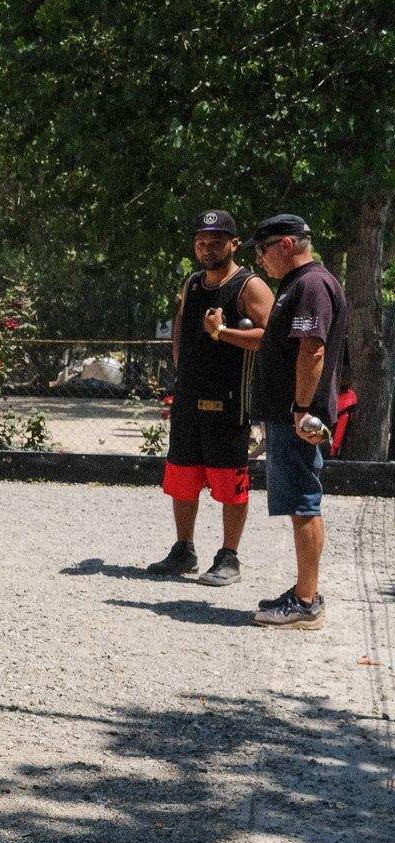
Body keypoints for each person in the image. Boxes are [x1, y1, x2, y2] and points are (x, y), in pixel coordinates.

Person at [148, 210, 272, 586]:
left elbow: (271, 336)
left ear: (234, 243)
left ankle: (229, 556)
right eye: (201, 242)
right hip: (188, 398)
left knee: (229, 481)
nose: (207, 248)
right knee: (182, 477)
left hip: (229, 401)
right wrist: (180, 366)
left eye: (216, 242)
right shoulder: (193, 283)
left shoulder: (250, 286)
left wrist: (223, 334)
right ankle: (184, 548)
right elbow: (183, 327)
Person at [246, 213, 346, 629]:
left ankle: (306, 602)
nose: (260, 260)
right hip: (290, 412)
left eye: (262, 250)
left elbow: (313, 350)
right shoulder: (299, 285)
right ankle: (306, 592)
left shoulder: (311, 285)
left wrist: (302, 408)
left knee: (304, 500)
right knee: (299, 501)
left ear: (285, 245)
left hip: (298, 415)